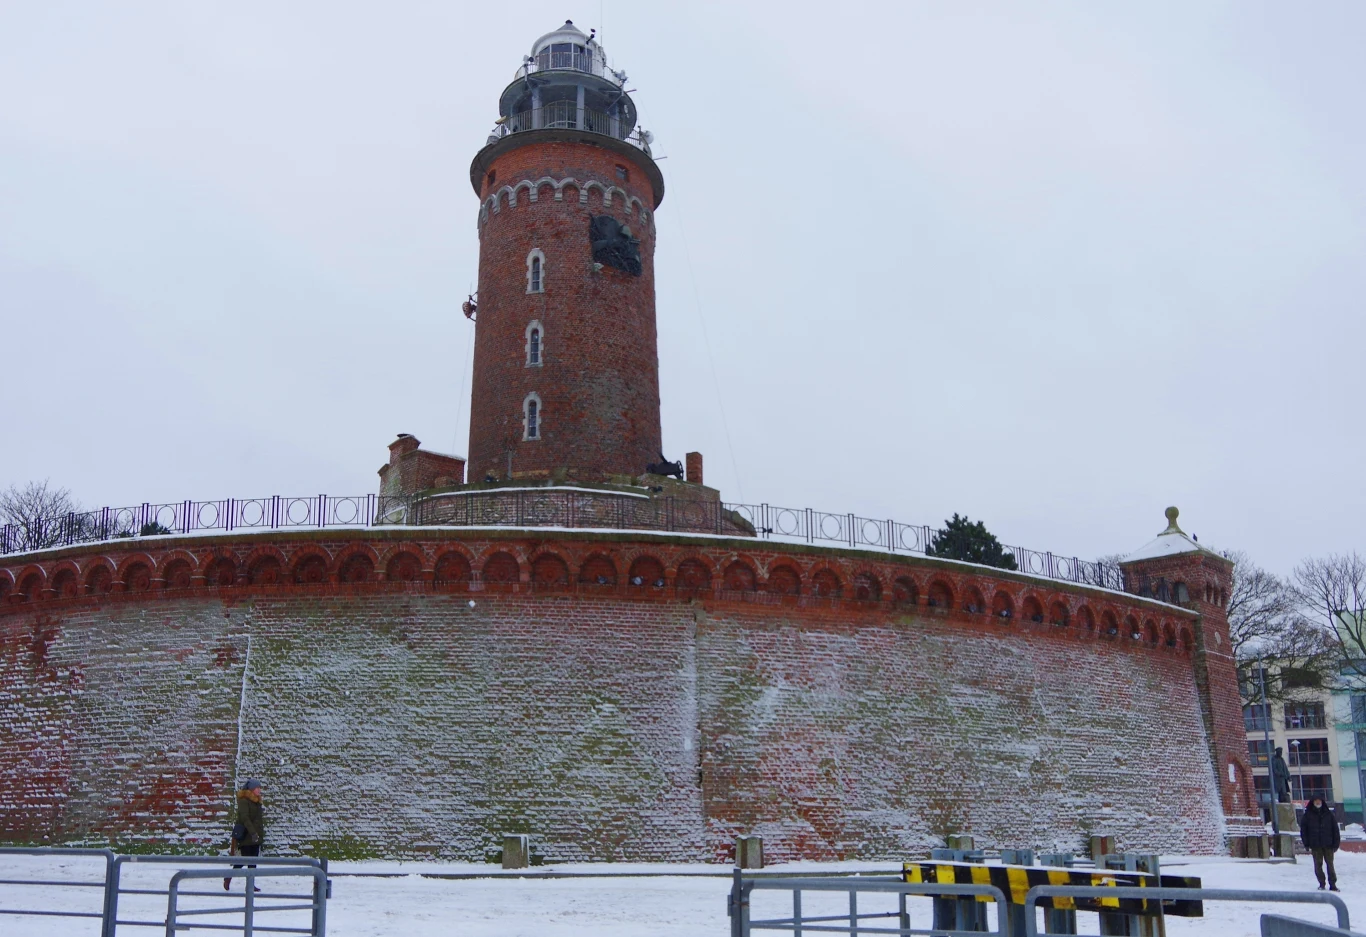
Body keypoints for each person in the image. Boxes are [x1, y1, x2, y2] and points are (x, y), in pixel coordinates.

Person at [224, 779, 265, 892]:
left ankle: (251, 884)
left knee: (253, 861)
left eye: (259, 788)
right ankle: (228, 876)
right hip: (247, 835)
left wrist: (259, 834)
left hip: (255, 835)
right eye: (257, 788)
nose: (259, 790)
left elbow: (258, 820)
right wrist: (253, 833)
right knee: (244, 860)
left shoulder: (257, 801)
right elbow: (245, 819)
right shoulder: (244, 801)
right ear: (251, 789)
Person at [1300, 796, 1340, 891]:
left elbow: (1335, 830)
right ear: (1313, 802)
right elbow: (1304, 831)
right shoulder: (1308, 815)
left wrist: (1336, 843)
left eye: (1319, 800)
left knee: (1330, 865)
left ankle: (1332, 884)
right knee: (1318, 865)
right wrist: (1306, 843)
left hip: (1328, 844)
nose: (1318, 802)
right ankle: (1322, 883)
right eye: (1316, 801)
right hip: (1315, 845)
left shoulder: (1328, 814)